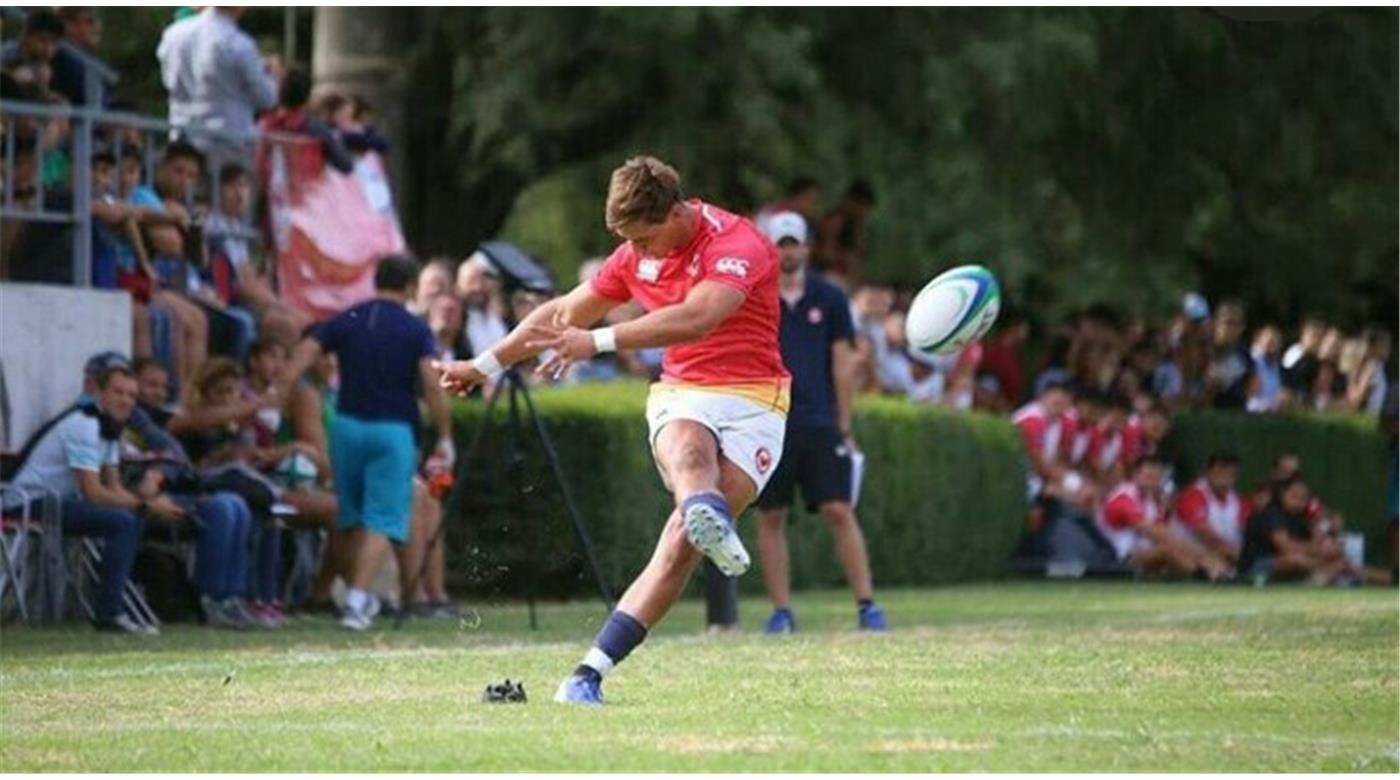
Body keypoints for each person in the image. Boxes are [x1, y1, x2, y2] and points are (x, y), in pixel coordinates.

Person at [436, 156, 790, 705]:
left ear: (676, 212)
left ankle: (604, 653)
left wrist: (598, 342)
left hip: (755, 401)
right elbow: (561, 314)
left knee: (679, 546)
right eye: (629, 242)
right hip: (684, 391)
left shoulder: (737, 244)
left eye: (645, 239)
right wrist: (483, 366)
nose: (638, 252)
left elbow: (699, 318)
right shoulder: (633, 255)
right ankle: (584, 678)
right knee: (689, 453)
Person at [279, 255, 455, 631]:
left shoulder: (350, 317)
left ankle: (352, 593)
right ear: (411, 287)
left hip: (346, 428)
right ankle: (358, 602)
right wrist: (444, 434)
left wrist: (279, 388)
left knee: (350, 517)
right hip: (393, 431)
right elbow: (431, 382)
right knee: (383, 517)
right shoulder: (414, 328)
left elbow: (308, 348)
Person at [750, 212, 886, 634]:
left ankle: (867, 605)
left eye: (793, 243)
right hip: (769, 419)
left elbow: (841, 364)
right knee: (771, 514)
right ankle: (781, 612)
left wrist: (844, 424)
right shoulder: (755, 297)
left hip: (819, 420)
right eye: (780, 244)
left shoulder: (829, 298)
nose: (787, 252)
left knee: (838, 509)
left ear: (806, 247)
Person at [5, 362, 182, 634]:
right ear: (98, 393)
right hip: (29, 502)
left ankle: (118, 604)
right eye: (118, 392)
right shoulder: (84, 425)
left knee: (132, 519)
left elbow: (114, 488)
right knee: (123, 522)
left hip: (58, 503)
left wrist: (146, 505)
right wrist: (146, 504)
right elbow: (94, 493)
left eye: (131, 395)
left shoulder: (109, 430)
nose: (125, 401)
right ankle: (109, 612)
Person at [157, 7, 279, 162]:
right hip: (227, 142)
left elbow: (167, 80)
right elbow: (267, 98)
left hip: (181, 137)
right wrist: (272, 77)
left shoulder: (173, 35)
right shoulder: (239, 44)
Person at [1097, 456, 1229, 580]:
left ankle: (1213, 572)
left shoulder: (1151, 502)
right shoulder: (1124, 498)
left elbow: (1166, 532)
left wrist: (1204, 554)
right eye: (1148, 476)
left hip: (1139, 552)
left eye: (1156, 478)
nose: (1153, 482)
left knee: (1174, 547)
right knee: (1167, 550)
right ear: (1135, 475)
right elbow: (1156, 534)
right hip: (1117, 557)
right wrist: (1203, 556)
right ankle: (1203, 576)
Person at [1238, 476, 1356, 585]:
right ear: (1282, 494)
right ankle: (1314, 580)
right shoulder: (1271, 513)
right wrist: (1318, 554)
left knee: (1339, 562)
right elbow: (1286, 547)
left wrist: (1328, 540)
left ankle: (1311, 583)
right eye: (1294, 496)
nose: (1300, 501)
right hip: (1256, 565)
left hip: (1291, 565)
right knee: (1296, 560)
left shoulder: (1300, 518)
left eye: (1304, 498)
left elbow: (1316, 543)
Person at [1171, 451, 1251, 570]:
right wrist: (1240, 558)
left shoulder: (1237, 500)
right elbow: (1208, 536)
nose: (1224, 479)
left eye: (1229, 474)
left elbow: (1248, 528)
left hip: (1227, 557)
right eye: (1220, 472)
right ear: (1208, 472)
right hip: (1194, 556)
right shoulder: (1192, 496)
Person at [814, 178, 877, 285]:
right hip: (824, 274)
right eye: (861, 206)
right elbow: (825, 255)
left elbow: (858, 253)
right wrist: (844, 259)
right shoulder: (835, 221)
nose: (863, 211)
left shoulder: (856, 224)